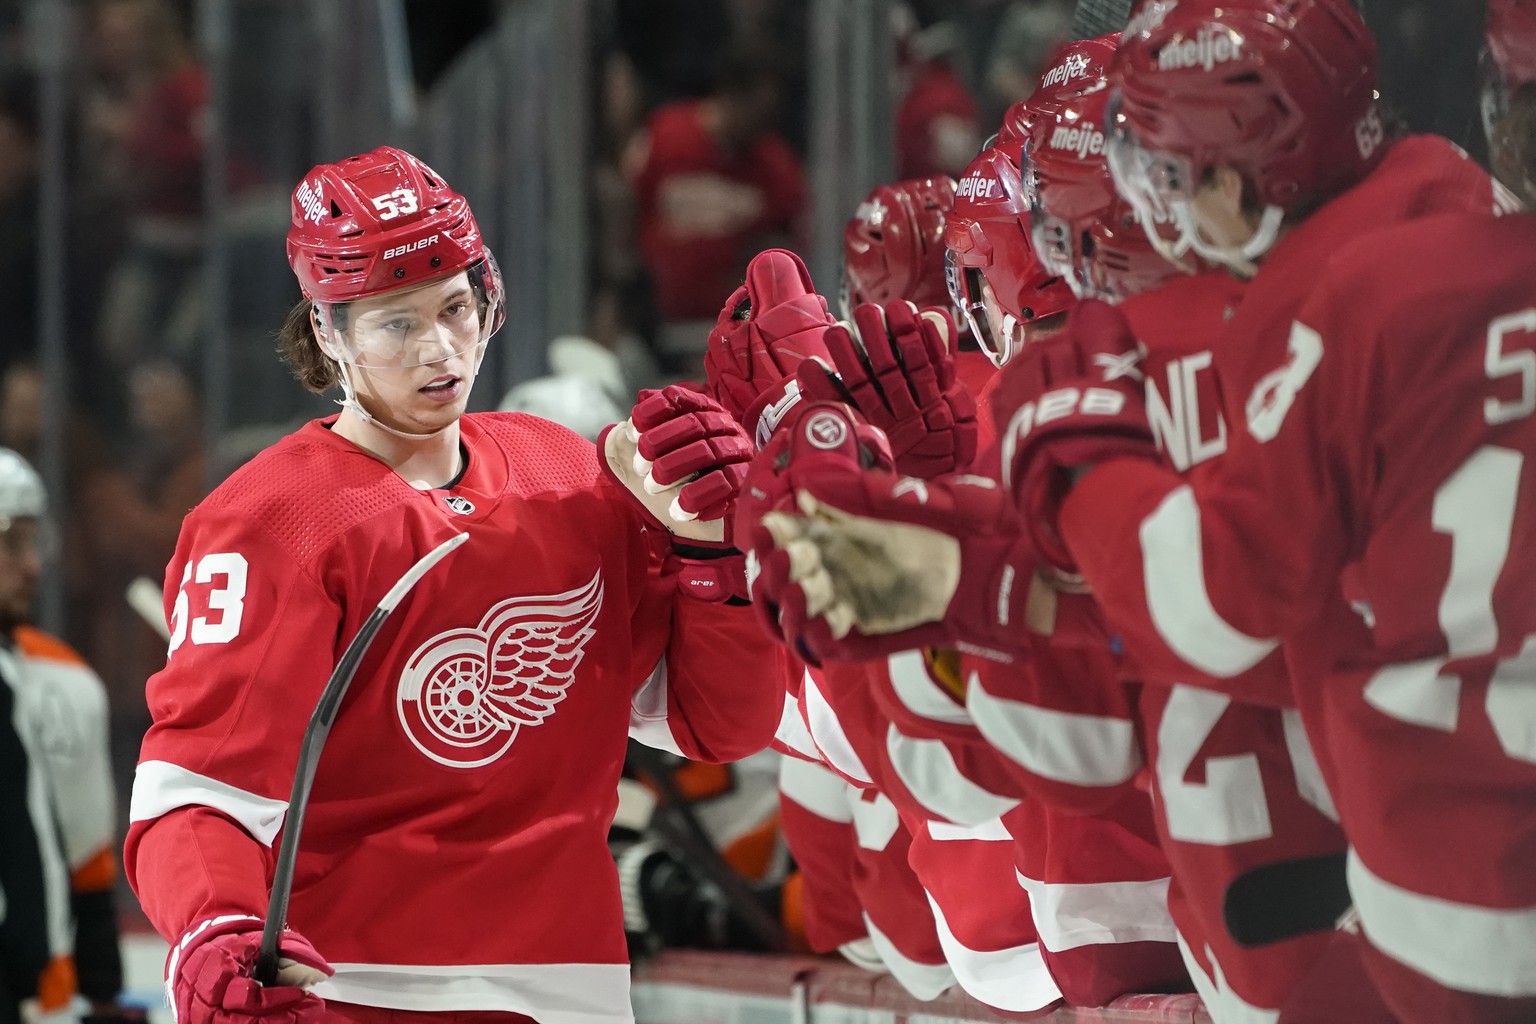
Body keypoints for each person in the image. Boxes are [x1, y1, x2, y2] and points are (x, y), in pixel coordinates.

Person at [125, 146, 788, 1024]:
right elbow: (198, 793)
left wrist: (714, 557)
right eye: (396, 324)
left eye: (455, 308)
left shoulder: (571, 476)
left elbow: (716, 724)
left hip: (573, 988)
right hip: (351, 990)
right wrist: (216, 930)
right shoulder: (268, 523)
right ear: (329, 332)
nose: (440, 350)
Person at [0, 448, 128, 1024]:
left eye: (34, 542)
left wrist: (101, 991)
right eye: (11, 543)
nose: (33, 566)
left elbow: (86, 856)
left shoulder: (65, 682)